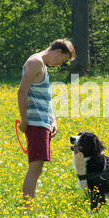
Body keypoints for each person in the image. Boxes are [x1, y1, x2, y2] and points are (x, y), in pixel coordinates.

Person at [17, 39, 75, 204]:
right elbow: (22, 92)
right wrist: (24, 120)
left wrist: (53, 120)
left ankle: (29, 206)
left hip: (43, 123)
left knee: (38, 168)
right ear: (57, 52)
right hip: (35, 124)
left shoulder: (42, 65)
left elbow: (45, 98)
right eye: (62, 60)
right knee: (35, 168)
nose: (59, 64)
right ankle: (28, 209)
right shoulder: (35, 62)